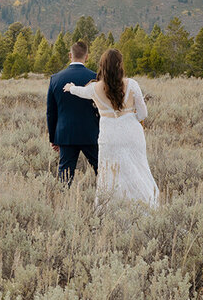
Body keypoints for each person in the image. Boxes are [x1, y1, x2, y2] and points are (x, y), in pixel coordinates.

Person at [64, 48, 159, 208]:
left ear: (102, 66)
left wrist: (70, 87)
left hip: (109, 137)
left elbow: (79, 91)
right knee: (138, 170)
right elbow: (143, 114)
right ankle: (144, 208)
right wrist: (130, 114)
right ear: (120, 66)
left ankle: (111, 211)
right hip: (132, 134)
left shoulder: (94, 88)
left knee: (110, 175)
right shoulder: (132, 84)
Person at [46, 41, 100, 185]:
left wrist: (54, 138)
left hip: (66, 134)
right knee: (102, 171)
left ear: (70, 55)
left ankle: (63, 204)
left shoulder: (55, 79)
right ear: (86, 56)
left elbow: (51, 112)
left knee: (64, 178)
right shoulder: (96, 78)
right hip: (92, 134)